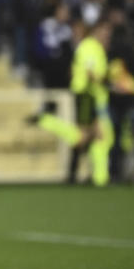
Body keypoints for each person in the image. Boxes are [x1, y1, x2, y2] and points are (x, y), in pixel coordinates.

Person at [35, 17, 114, 186]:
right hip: (87, 94)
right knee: (85, 134)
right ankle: (47, 121)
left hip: (90, 95)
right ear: (96, 31)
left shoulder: (92, 47)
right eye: (105, 33)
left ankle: (86, 175)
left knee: (92, 135)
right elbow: (91, 73)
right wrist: (108, 82)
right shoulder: (90, 47)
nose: (107, 36)